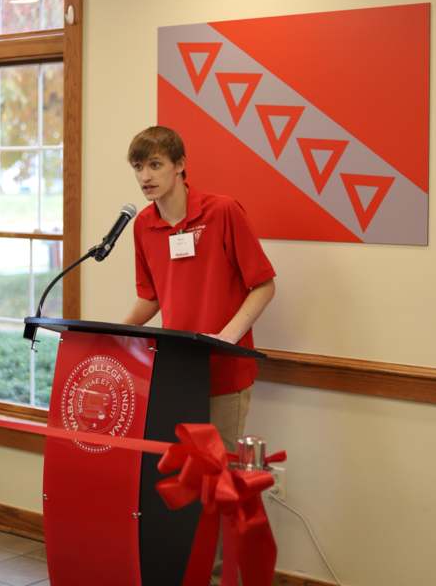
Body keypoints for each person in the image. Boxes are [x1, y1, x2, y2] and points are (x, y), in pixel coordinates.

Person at [122, 126, 275, 582]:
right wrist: (114, 334)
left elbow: (264, 285)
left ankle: (225, 576)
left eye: (154, 165)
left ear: (180, 165)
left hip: (225, 371)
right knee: (184, 483)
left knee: (222, 485)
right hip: (176, 374)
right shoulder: (143, 226)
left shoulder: (223, 211)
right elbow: (151, 296)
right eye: (137, 167)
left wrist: (225, 336)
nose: (145, 176)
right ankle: (191, 573)